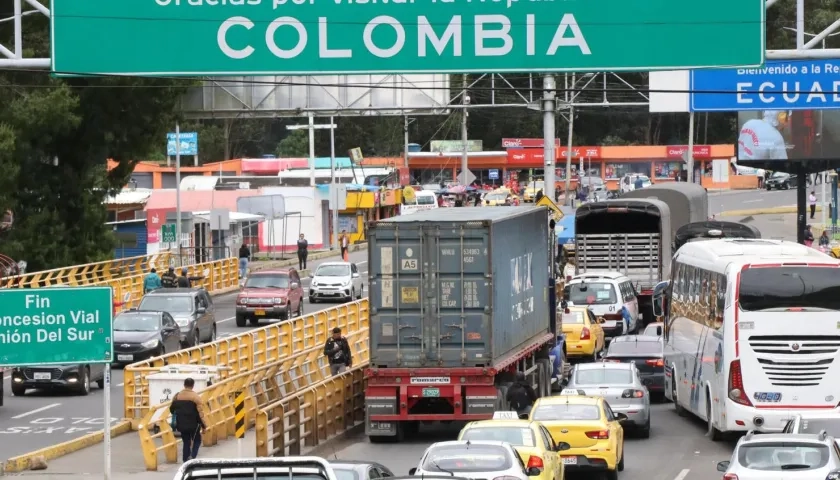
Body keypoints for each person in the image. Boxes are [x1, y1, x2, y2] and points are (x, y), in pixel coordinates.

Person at [169, 378, 208, 463]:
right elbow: (200, 413)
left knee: (186, 441)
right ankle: (192, 457)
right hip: (194, 424)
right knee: (197, 440)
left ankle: (185, 460)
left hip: (181, 424)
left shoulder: (177, 396)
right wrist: (204, 425)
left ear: (184, 385)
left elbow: (172, 410)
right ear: (193, 385)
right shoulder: (196, 397)